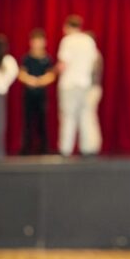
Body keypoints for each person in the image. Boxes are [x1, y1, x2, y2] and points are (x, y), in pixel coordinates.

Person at [55, 15, 98, 157]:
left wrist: (54, 71)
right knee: (85, 115)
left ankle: (65, 149)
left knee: (68, 116)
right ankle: (87, 148)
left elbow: (63, 64)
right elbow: (94, 62)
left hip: (69, 84)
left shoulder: (67, 41)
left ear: (68, 27)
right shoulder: (89, 41)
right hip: (85, 83)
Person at [19, 29, 56, 155]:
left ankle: (43, 147)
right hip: (29, 94)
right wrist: (30, 80)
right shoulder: (27, 58)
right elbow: (21, 73)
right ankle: (26, 148)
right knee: (27, 122)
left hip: (41, 95)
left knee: (42, 122)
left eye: (40, 41)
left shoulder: (47, 58)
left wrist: (41, 81)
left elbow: (51, 75)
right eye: (35, 41)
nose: (37, 44)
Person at [80, 32, 104, 156]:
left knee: (89, 117)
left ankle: (92, 145)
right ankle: (89, 145)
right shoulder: (93, 54)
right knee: (88, 117)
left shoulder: (94, 55)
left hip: (91, 89)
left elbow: (92, 73)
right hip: (91, 89)